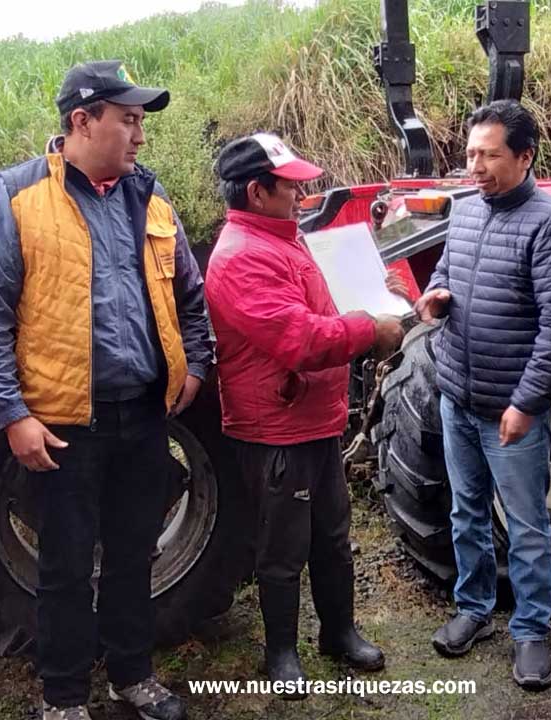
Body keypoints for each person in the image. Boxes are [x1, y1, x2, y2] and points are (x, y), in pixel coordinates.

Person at [0, 61, 212, 720]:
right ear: (82, 121)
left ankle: (134, 676)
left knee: (134, 555)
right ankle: (64, 698)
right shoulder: (16, 198)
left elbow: (189, 294)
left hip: (144, 416)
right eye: (128, 120)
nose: (140, 136)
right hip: (64, 425)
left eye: (141, 122)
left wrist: (196, 366)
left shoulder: (150, 198)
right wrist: (13, 415)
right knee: (65, 567)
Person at [204, 132, 404, 696]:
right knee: (282, 548)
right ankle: (281, 653)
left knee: (333, 537)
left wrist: (381, 295)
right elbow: (299, 338)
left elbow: (322, 308)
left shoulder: (283, 241)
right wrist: (370, 328)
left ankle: (339, 633)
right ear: (256, 191)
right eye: (290, 186)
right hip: (276, 428)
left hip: (314, 418)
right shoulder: (241, 257)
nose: (301, 194)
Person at [413, 99, 551, 690]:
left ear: (525, 156)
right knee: (466, 511)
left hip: (510, 410)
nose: (476, 167)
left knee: (526, 524)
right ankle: (474, 609)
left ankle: (532, 629)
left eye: (489, 156)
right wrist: (436, 295)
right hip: (457, 396)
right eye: (471, 154)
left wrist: (526, 403)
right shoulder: (466, 211)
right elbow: (446, 271)